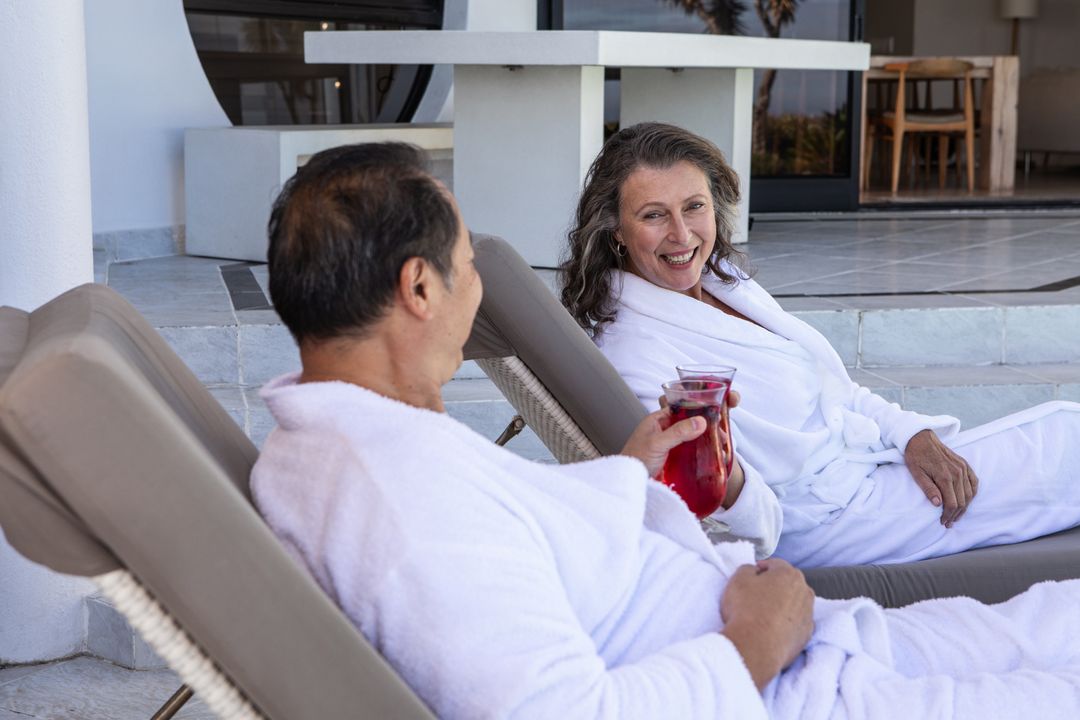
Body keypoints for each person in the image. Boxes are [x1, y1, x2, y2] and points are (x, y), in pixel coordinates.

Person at [252, 141, 1080, 719]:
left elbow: (529, 541)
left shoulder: (359, 440)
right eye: (468, 265)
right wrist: (756, 641)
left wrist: (628, 471)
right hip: (793, 689)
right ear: (421, 289)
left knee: (1056, 617)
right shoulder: (401, 510)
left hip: (818, 646)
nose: (480, 291)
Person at [561, 122, 1080, 568]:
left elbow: (836, 389)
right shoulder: (637, 355)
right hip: (833, 519)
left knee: (1065, 427)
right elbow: (744, 521)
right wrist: (726, 472)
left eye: (694, 207)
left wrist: (911, 434)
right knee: (1066, 440)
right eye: (653, 215)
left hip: (869, 469)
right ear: (616, 234)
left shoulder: (725, 285)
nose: (682, 233)